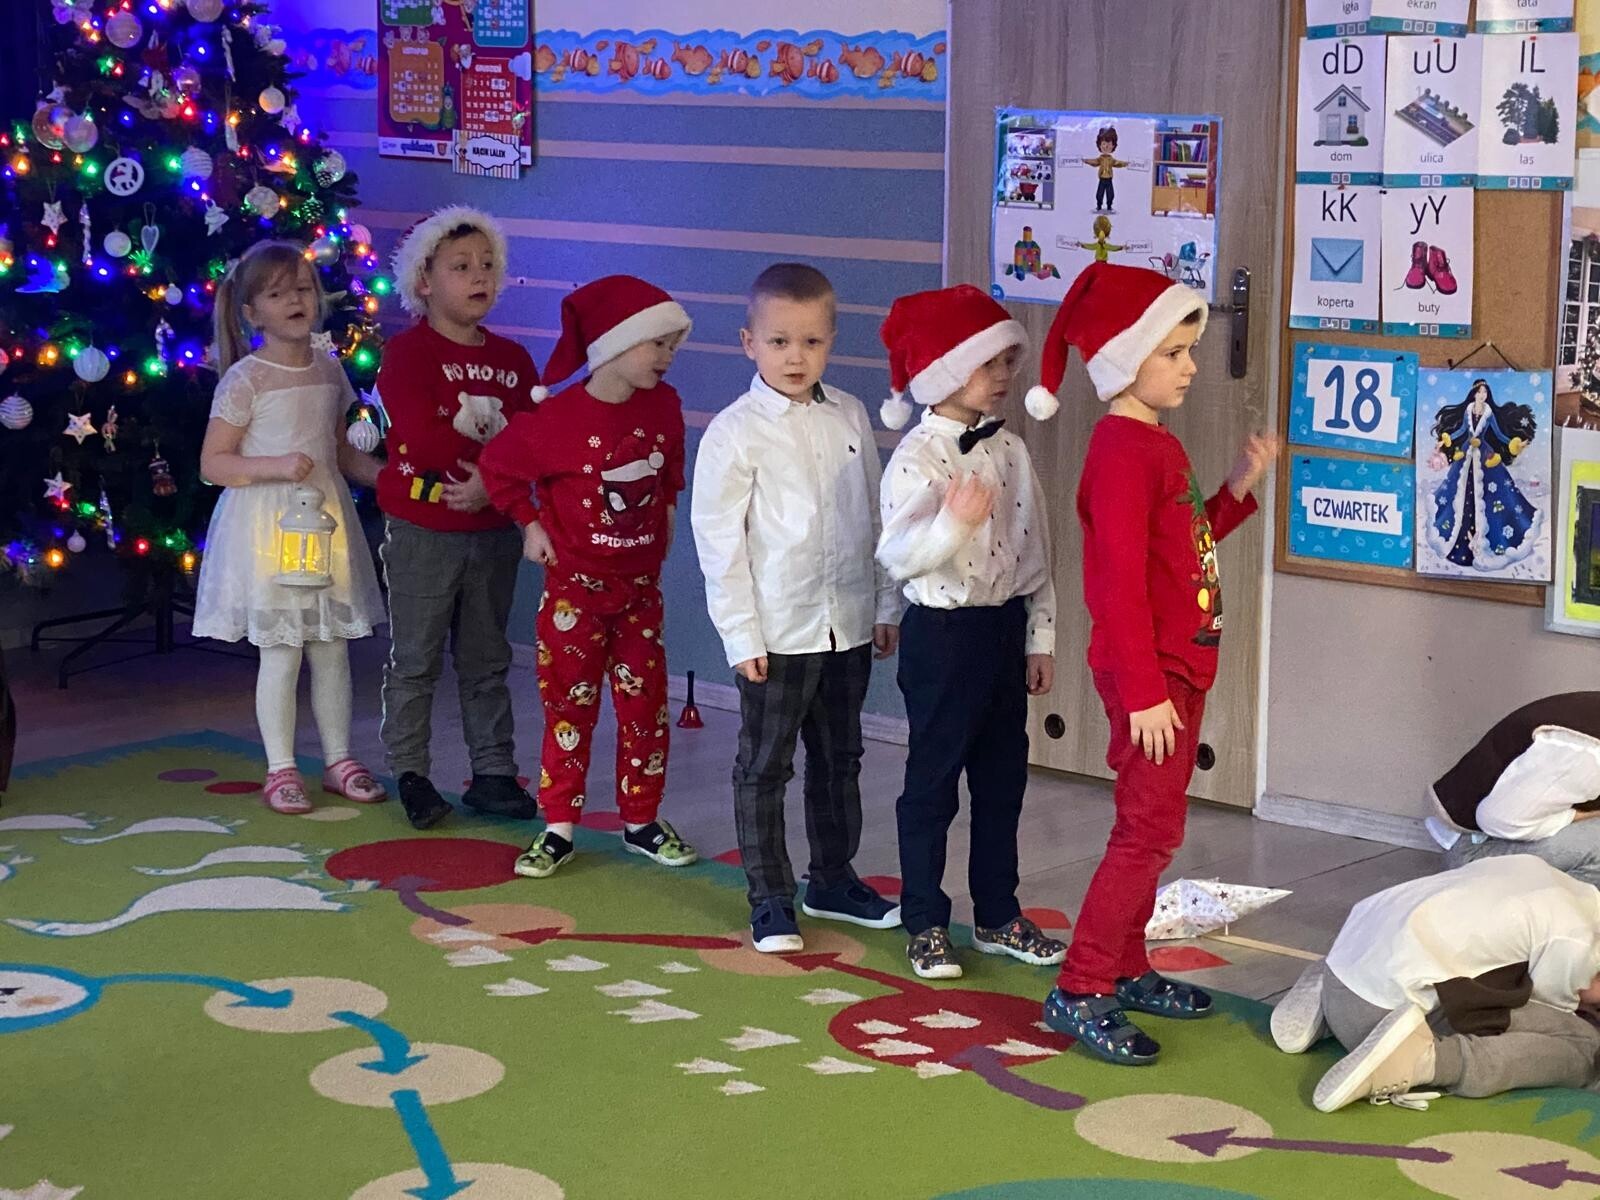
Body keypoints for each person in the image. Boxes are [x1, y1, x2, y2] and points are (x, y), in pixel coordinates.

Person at [1034, 262, 1277, 1064]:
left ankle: (1127, 965)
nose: (1190, 367)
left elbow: (1183, 544)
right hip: (1154, 677)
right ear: (1123, 360)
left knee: (1155, 828)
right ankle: (1082, 985)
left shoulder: (1154, 444)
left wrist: (1237, 487)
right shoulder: (1119, 453)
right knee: (1145, 832)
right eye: (1172, 353)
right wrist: (1143, 691)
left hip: (1178, 670)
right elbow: (1115, 585)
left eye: (1189, 350)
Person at [691, 263, 902, 953]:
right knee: (765, 765)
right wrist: (741, 635)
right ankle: (770, 898)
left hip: (846, 624)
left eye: (811, 342)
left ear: (831, 342)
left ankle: (832, 880)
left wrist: (885, 603)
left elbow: (875, 516)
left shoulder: (850, 414)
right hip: (777, 632)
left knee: (841, 758)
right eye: (779, 341)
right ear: (748, 342)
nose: (795, 357)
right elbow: (720, 544)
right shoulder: (734, 432)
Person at [478, 275, 699, 878]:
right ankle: (558, 828)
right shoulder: (557, 418)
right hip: (573, 594)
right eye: (656, 343)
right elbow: (498, 466)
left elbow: (671, 467)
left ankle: (641, 821)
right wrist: (530, 524)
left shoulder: (664, 405)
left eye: (672, 345)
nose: (667, 356)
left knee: (646, 708)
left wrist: (668, 513)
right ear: (613, 344)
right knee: (569, 709)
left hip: (640, 593)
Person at [876, 284, 1066, 980]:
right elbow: (898, 555)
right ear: (947, 369)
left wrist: (1040, 636)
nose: (1004, 375)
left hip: (1001, 630)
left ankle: (997, 914)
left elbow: (1036, 550)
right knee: (932, 783)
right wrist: (953, 523)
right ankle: (925, 920)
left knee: (1002, 780)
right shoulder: (916, 458)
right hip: (943, 635)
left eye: (1010, 362)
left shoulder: (1011, 449)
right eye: (990, 362)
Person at [193, 241, 386, 814]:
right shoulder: (246, 379)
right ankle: (280, 767)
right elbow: (214, 463)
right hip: (269, 530)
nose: (296, 300)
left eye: (303, 288)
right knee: (282, 650)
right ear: (252, 313)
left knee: (331, 646)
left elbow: (340, 451)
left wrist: (392, 482)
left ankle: (339, 759)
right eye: (278, 294)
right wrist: (274, 466)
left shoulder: (329, 369)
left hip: (325, 527)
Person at [376, 206, 540, 830]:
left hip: (491, 531)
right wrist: (486, 476)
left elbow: (531, 436)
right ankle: (411, 772)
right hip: (424, 528)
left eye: (488, 265)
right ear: (424, 281)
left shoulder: (514, 359)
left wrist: (493, 486)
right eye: (461, 267)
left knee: (486, 655)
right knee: (416, 657)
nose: (480, 276)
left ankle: (493, 770)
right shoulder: (408, 353)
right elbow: (422, 437)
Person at [1271, 855, 1600, 1111]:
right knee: (1583, 1044)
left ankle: (1323, 992)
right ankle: (1426, 1060)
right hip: (1376, 1019)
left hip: (1347, 959)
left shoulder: (1543, 874)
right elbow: (1556, 1009)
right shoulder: (1577, 940)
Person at [1427, 692, 1600, 886]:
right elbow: (1499, 822)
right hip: (1476, 847)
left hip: (1497, 827)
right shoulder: (1588, 754)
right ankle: (1531, 902)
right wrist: (1588, 815)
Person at [1425, 377, 1540, 570]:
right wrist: (1446, 439)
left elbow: (1499, 434)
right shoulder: (1469, 410)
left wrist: (1514, 444)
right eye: (1480, 392)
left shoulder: (1488, 413)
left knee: (1494, 493)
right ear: (1474, 393)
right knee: (1457, 491)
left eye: (1485, 392)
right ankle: (1459, 539)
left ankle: (1490, 541)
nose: (1482, 395)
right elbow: (1462, 430)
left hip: (1485, 455)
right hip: (1467, 454)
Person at [1083, 126, 1128, 212]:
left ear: (1113, 145)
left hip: (1109, 179)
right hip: (1102, 179)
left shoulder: (1111, 159)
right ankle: (1099, 206)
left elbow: (1118, 163)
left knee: (1110, 194)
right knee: (1099, 194)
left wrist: (1126, 163)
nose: (1106, 146)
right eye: (1103, 143)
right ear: (1099, 145)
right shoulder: (1100, 159)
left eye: (1109, 144)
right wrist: (1086, 161)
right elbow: (1094, 162)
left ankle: (1109, 207)